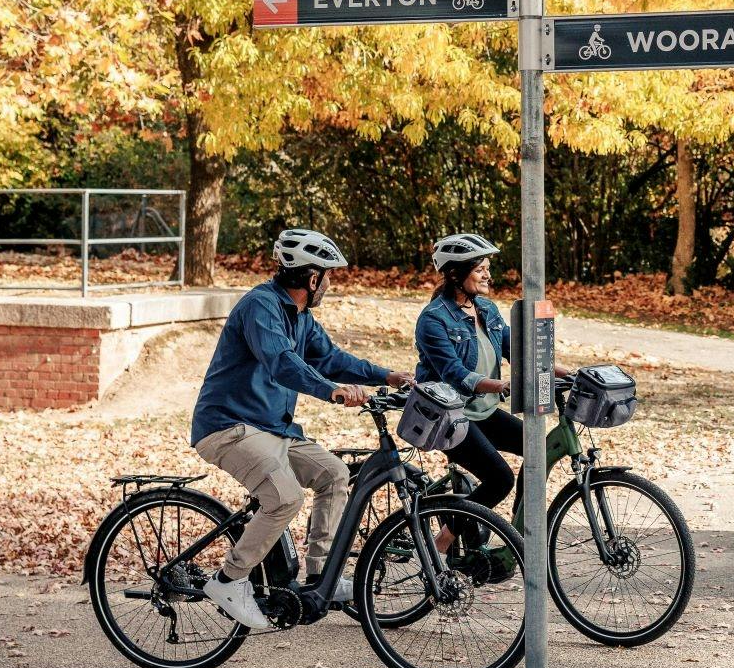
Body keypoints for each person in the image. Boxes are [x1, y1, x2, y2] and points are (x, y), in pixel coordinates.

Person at [190, 228, 412, 630]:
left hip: (273, 429)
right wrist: (332, 392)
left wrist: (387, 376)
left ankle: (320, 576)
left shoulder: (301, 317)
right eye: (328, 275)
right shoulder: (261, 307)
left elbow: (330, 358)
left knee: (334, 474)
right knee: (285, 498)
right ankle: (229, 580)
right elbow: (283, 363)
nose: (330, 283)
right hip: (229, 426)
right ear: (312, 279)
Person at [413, 233, 569, 550]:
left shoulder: (487, 310)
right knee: (500, 479)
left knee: (538, 447)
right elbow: (455, 375)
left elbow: (523, 352)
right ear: (456, 273)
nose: (488, 275)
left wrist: (571, 374)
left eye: (487, 268)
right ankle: (442, 542)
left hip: (481, 412)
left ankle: (522, 527)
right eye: (480, 268)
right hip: (448, 417)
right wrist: (501, 385)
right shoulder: (433, 320)